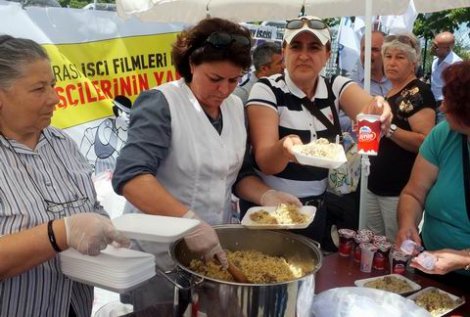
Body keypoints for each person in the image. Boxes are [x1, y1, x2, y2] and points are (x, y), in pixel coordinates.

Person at [111, 18, 300, 310]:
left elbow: (238, 173)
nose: (224, 90)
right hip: (158, 255)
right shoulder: (162, 103)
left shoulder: (236, 107)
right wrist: (189, 222)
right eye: (215, 79)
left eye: (234, 80)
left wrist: (266, 195)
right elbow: (131, 178)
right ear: (190, 66)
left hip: (213, 250)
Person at [0, 35, 129, 317]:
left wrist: (104, 228)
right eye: (38, 89)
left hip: (75, 306)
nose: (55, 98)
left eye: (53, 86)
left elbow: (90, 207)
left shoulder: (62, 143)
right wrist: (61, 232)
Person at [245, 16, 392, 251]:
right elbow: (265, 161)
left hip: (316, 211)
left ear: (326, 54)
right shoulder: (267, 89)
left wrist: (380, 107)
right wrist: (285, 148)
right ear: (284, 52)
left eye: (313, 47)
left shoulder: (334, 86)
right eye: (296, 46)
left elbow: (367, 108)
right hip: (273, 213)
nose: (304, 55)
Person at [395, 60, 470, 283]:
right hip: (432, 271)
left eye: (451, 103)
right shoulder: (444, 134)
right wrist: (408, 224)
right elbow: (414, 194)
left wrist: (461, 259)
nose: (443, 107)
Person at [366, 33, 436, 242]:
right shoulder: (391, 92)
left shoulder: (419, 92)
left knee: (398, 251)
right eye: (387, 56)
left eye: (400, 57)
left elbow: (425, 142)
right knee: (372, 246)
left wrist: (389, 128)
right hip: (376, 184)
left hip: (400, 190)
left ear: (413, 62)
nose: (391, 62)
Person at [430, 31, 462, 123]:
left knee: (443, 135)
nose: (432, 48)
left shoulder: (456, 64)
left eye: (436, 46)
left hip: (446, 107)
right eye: (433, 44)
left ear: (447, 49)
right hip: (432, 103)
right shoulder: (435, 60)